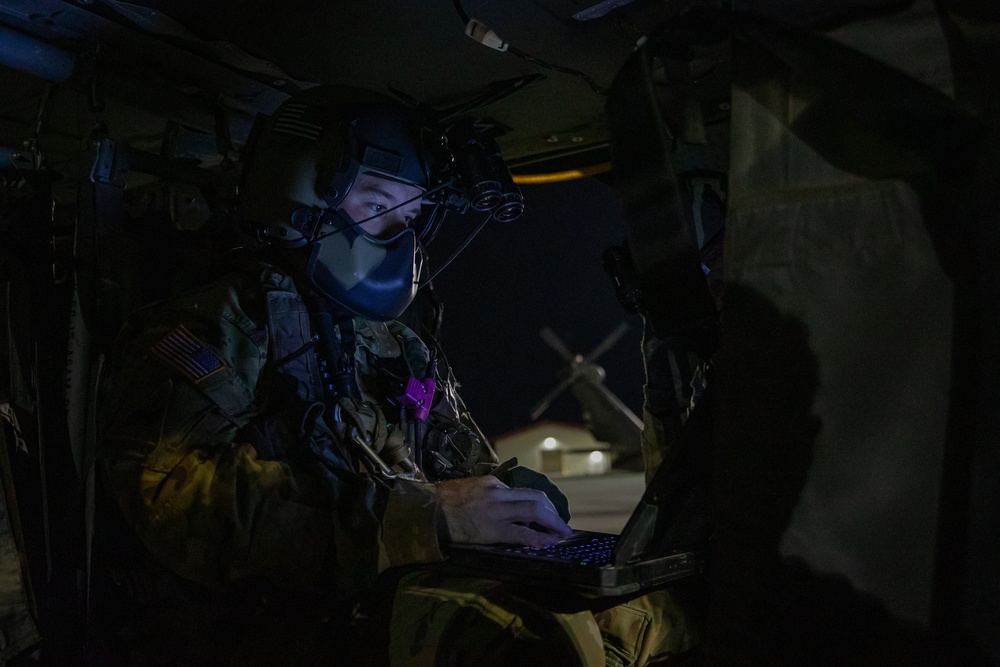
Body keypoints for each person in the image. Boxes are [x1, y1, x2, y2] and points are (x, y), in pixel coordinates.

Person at [92, 85, 696, 666]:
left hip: (397, 586)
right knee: (525, 642)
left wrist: (519, 500)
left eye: (410, 217)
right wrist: (421, 516)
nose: (396, 239)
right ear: (300, 192)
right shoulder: (215, 324)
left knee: (642, 611)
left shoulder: (399, 343)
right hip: (273, 619)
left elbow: (463, 468)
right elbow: (172, 497)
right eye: (377, 206)